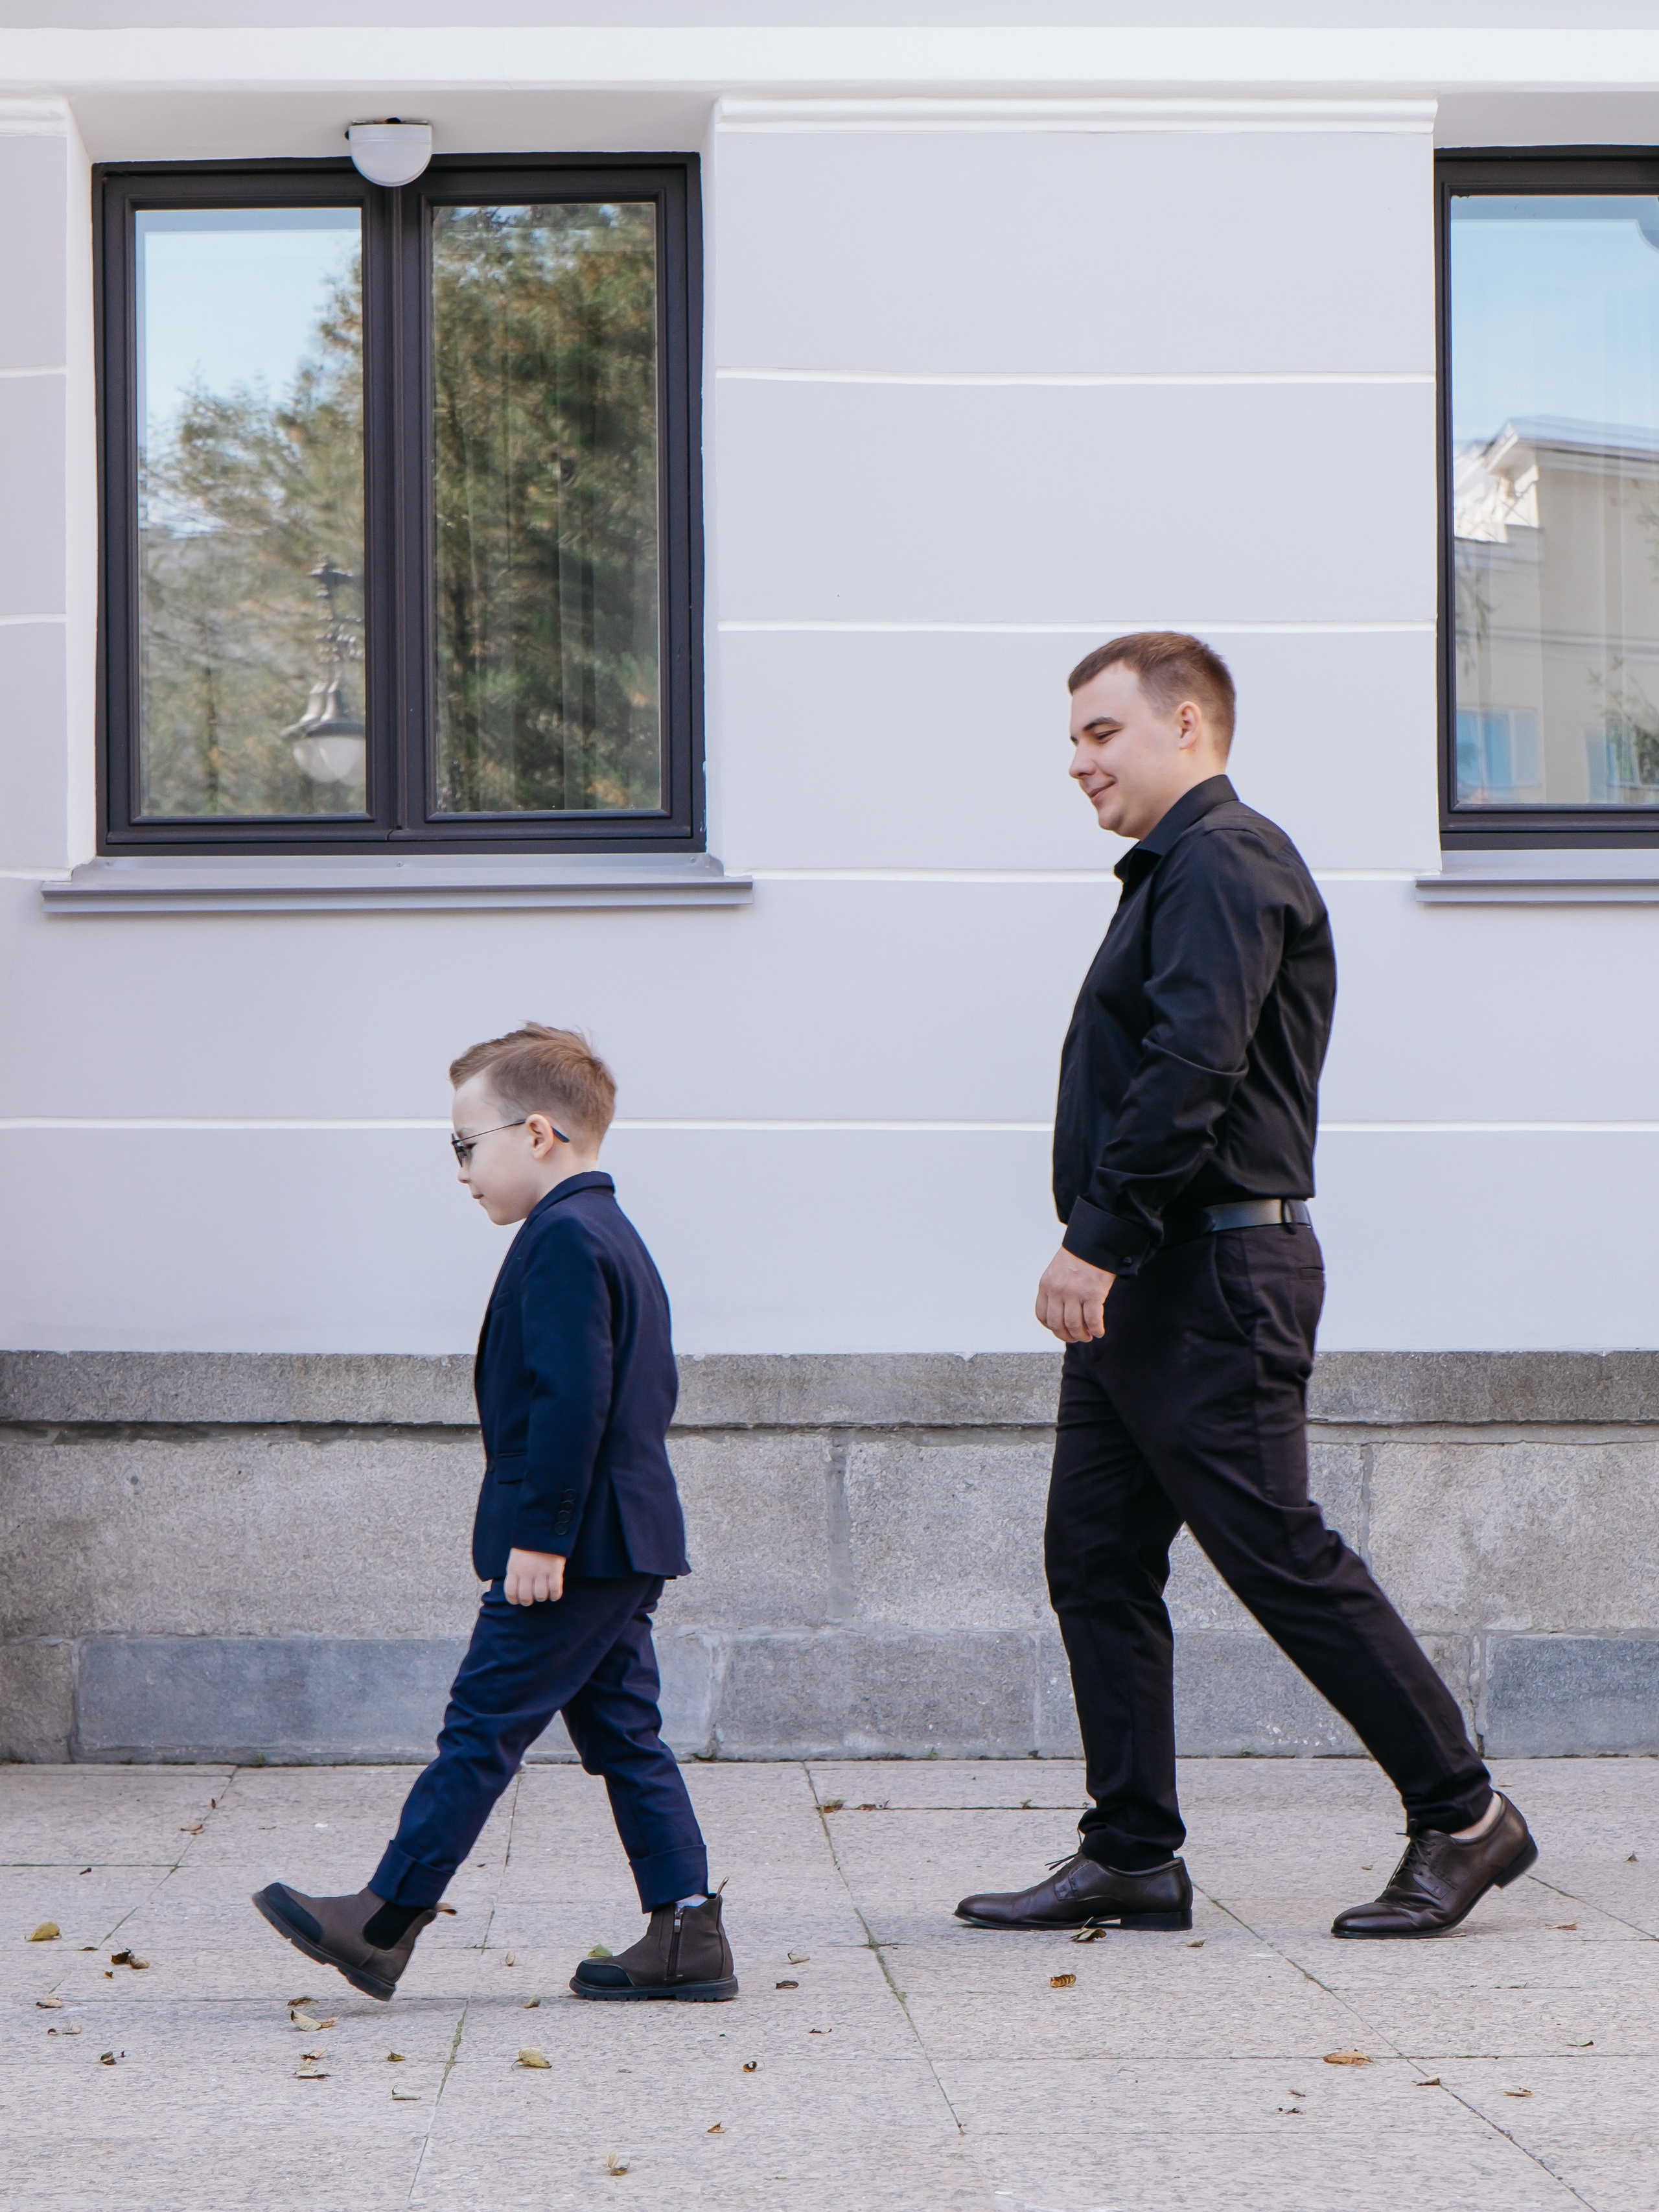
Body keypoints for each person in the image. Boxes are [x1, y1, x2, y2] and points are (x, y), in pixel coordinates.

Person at [955, 634, 1536, 1942]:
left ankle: (1462, 1815)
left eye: (1101, 733)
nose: (1076, 760)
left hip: (1208, 1267)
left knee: (1276, 1551)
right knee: (1092, 1559)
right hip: (1156, 1276)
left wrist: (1094, 1239)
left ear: (1187, 727)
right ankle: (1130, 1854)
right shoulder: (1175, 872)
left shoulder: (1223, 858)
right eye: (1074, 737)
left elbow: (1191, 1067)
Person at [253, 1023, 736, 2003]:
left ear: (540, 1132)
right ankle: (687, 1930)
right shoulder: (609, 1232)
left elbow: (574, 1398)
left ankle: (385, 1918)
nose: (461, 1170)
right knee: (627, 1735)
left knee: (481, 1725)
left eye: (467, 1146)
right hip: (621, 1536)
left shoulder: (562, 1239)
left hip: (577, 1544)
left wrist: (542, 1535)